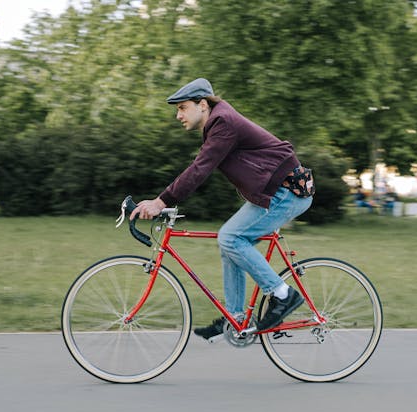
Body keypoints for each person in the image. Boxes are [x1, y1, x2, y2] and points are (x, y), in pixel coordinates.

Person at [130, 78, 314, 340]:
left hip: (286, 192)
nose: (178, 115)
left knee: (230, 237)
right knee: (229, 242)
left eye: (182, 108)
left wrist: (161, 202)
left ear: (202, 104)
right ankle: (235, 318)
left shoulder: (223, 122)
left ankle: (283, 295)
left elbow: (200, 169)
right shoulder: (218, 124)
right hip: (274, 192)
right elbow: (202, 168)